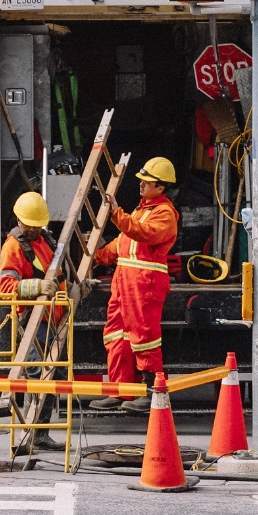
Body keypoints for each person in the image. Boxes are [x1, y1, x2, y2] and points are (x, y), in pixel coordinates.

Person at [89, 157, 178, 413]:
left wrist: (117, 213)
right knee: (116, 335)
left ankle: (153, 392)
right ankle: (120, 391)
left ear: (160, 187)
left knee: (145, 338)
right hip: (125, 283)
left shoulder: (164, 213)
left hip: (144, 284)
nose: (140, 184)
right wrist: (95, 258)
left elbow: (142, 234)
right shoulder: (142, 211)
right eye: (141, 179)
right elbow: (121, 245)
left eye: (146, 181)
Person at [0, 191, 80, 452]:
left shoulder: (46, 240)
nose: (34, 230)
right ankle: (30, 433)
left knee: (50, 374)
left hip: (52, 319)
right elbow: (6, 287)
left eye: (37, 225)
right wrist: (37, 286)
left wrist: (77, 287)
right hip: (32, 319)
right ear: (19, 221)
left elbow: (57, 277)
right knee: (36, 375)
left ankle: (40, 434)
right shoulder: (13, 246)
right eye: (29, 225)